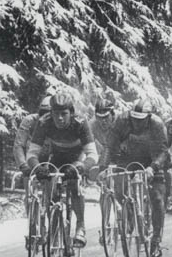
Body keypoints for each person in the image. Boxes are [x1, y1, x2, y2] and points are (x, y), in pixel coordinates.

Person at [100, 98, 169, 257]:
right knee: (119, 189)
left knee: (157, 198)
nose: (137, 123)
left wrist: (153, 167)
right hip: (128, 158)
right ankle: (130, 215)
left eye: (141, 120)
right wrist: (103, 168)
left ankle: (156, 241)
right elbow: (109, 146)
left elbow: (163, 152)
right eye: (134, 119)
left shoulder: (157, 124)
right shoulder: (122, 121)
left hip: (152, 159)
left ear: (148, 117)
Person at [27, 91, 98, 247]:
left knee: (73, 184)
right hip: (57, 156)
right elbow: (32, 153)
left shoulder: (80, 123)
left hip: (77, 157)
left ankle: (80, 226)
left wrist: (82, 168)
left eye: (64, 114)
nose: (59, 118)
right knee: (51, 186)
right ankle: (54, 227)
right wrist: (37, 167)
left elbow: (92, 154)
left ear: (71, 113)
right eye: (56, 114)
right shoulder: (44, 122)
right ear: (51, 113)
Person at [14, 95, 52, 178]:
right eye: (43, 112)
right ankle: (29, 189)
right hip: (31, 156)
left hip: (49, 157)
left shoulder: (58, 123)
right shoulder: (29, 121)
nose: (45, 116)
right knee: (28, 175)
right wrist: (23, 165)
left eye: (49, 114)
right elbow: (19, 145)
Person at [89, 90, 118, 157]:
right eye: (100, 117)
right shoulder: (92, 124)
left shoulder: (120, 122)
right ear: (96, 116)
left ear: (112, 114)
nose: (103, 121)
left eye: (106, 116)